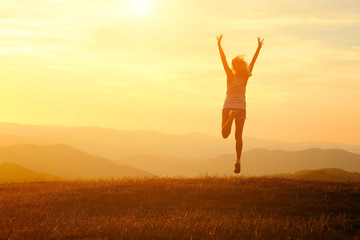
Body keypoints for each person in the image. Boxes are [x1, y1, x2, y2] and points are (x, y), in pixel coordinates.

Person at [217, 34, 264, 174]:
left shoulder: (230, 76)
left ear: (233, 67)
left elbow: (223, 60)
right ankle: (238, 160)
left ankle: (230, 118)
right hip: (241, 108)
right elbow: (253, 63)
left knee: (224, 134)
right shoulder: (245, 78)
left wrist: (219, 45)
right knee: (238, 136)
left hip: (228, 107)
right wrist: (258, 48)